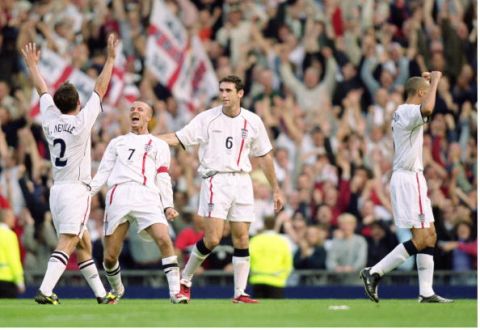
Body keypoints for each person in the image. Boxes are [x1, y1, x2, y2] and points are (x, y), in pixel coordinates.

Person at [160, 75, 284, 303]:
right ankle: (185, 279)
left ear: (240, 93)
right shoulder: (207, 119)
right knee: (214, 238)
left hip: (242, 181)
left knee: (242, 238)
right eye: (221, 90)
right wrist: (150, 140)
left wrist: (275, 188)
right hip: (215, 180)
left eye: (228, 90)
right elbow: (179, 137)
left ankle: (239, 293)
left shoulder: (253, 121)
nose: (224, 95)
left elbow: (265, 156)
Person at [21, 35, 119, 305]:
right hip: (76, 190)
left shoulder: (50, 120)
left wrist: (32, 66)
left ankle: (102, 295)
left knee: (83, 243)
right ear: (78, 104)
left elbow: (42, 90)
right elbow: (100, 88)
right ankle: (45, 289)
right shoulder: (82, 123)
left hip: (57, 190)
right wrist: (110, 58)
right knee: (68, 241)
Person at [360, 71, 453, 303]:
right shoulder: (410, 111)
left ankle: (426, 292)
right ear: (421, 92)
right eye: (426, 91)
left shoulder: (402, 111)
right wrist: (437, 81)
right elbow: (429, 109)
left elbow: (424, 107)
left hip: (410, 178)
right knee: (421, 238)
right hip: (409, 179)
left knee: (430, 235)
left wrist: (427, 83)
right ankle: (374, 272)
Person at [89, 100, 188, 304]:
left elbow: (163, 176)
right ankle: (117, 288)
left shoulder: (159, 145)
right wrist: (86, 194)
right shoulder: (117, 142)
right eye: (132, 109)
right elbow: (103, 173)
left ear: (148, 118)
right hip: (119, 194)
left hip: (147, 195)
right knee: (109, 257)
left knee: (163, 239)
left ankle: (175, 292)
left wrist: (168, 205)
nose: (135, 111)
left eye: (140, 109)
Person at [249, 215, 292, 299]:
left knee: (258, 310)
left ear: (264, 225)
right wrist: (283, 277)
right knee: (277, 310)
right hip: (276, 280)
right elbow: (288, 264)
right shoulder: (282, 242)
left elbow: (247, 259)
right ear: (275, 224)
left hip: (258, 279)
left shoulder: (255, 240)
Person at [0, 206, 25, 298]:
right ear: (6, 218)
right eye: (12, 217)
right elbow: (13, 260)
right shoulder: (10, 235)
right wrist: (19, 281)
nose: (14, 219)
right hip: (6, 281)